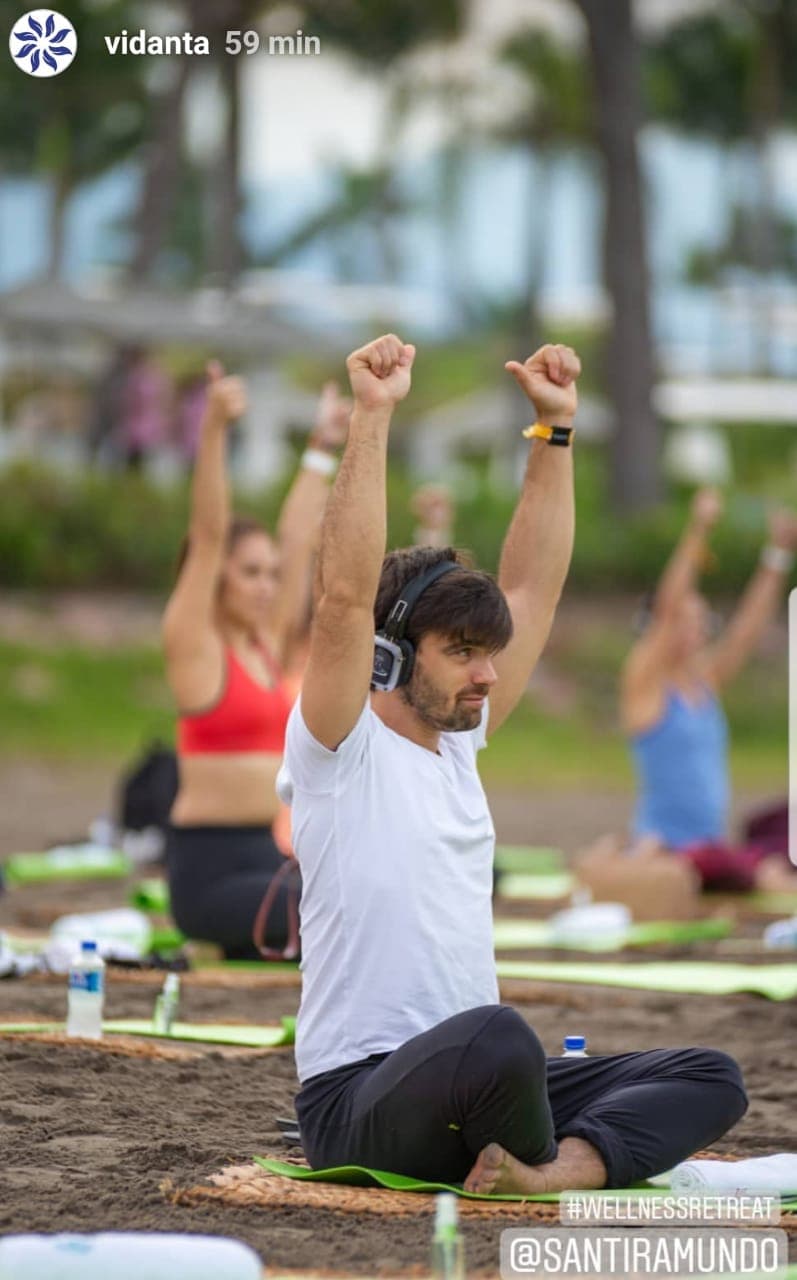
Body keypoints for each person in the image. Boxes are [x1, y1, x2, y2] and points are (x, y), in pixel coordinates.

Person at [278, 334, 748, 1194]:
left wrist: (553, 431)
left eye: (488, 654)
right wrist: (372, 418)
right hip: (358, 1100)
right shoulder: (337, 745)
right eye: (462, 652)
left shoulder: (461, 739)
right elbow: (342, 594)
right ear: (390, 653)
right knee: (500, 1038)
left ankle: (556, 1169)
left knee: (708, 1074)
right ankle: (534, 1159)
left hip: (476, 1079)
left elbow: (536, 588)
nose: (487, 675)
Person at [162, 363, 350, 958]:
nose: (268, 584)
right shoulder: (196, 644)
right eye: (251, 573)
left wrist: (321, 448)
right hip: (208, 871)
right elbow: (209, 530)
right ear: (218, 578)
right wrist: (215, 427)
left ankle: (261, 940)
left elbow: (297, 541)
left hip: (267, 857)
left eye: (270, 575)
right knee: (339, 907)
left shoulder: (265, 642)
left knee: (368, 887)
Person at [618, 488, 797, 894]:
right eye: (688, 619)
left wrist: (778, 554)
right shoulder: (647, 687)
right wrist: (700, 528)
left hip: (710, 846)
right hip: (664, 849)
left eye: (701, 619)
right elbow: (669, 605)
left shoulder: (705, 682)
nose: (697, 627)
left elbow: (747, 630)